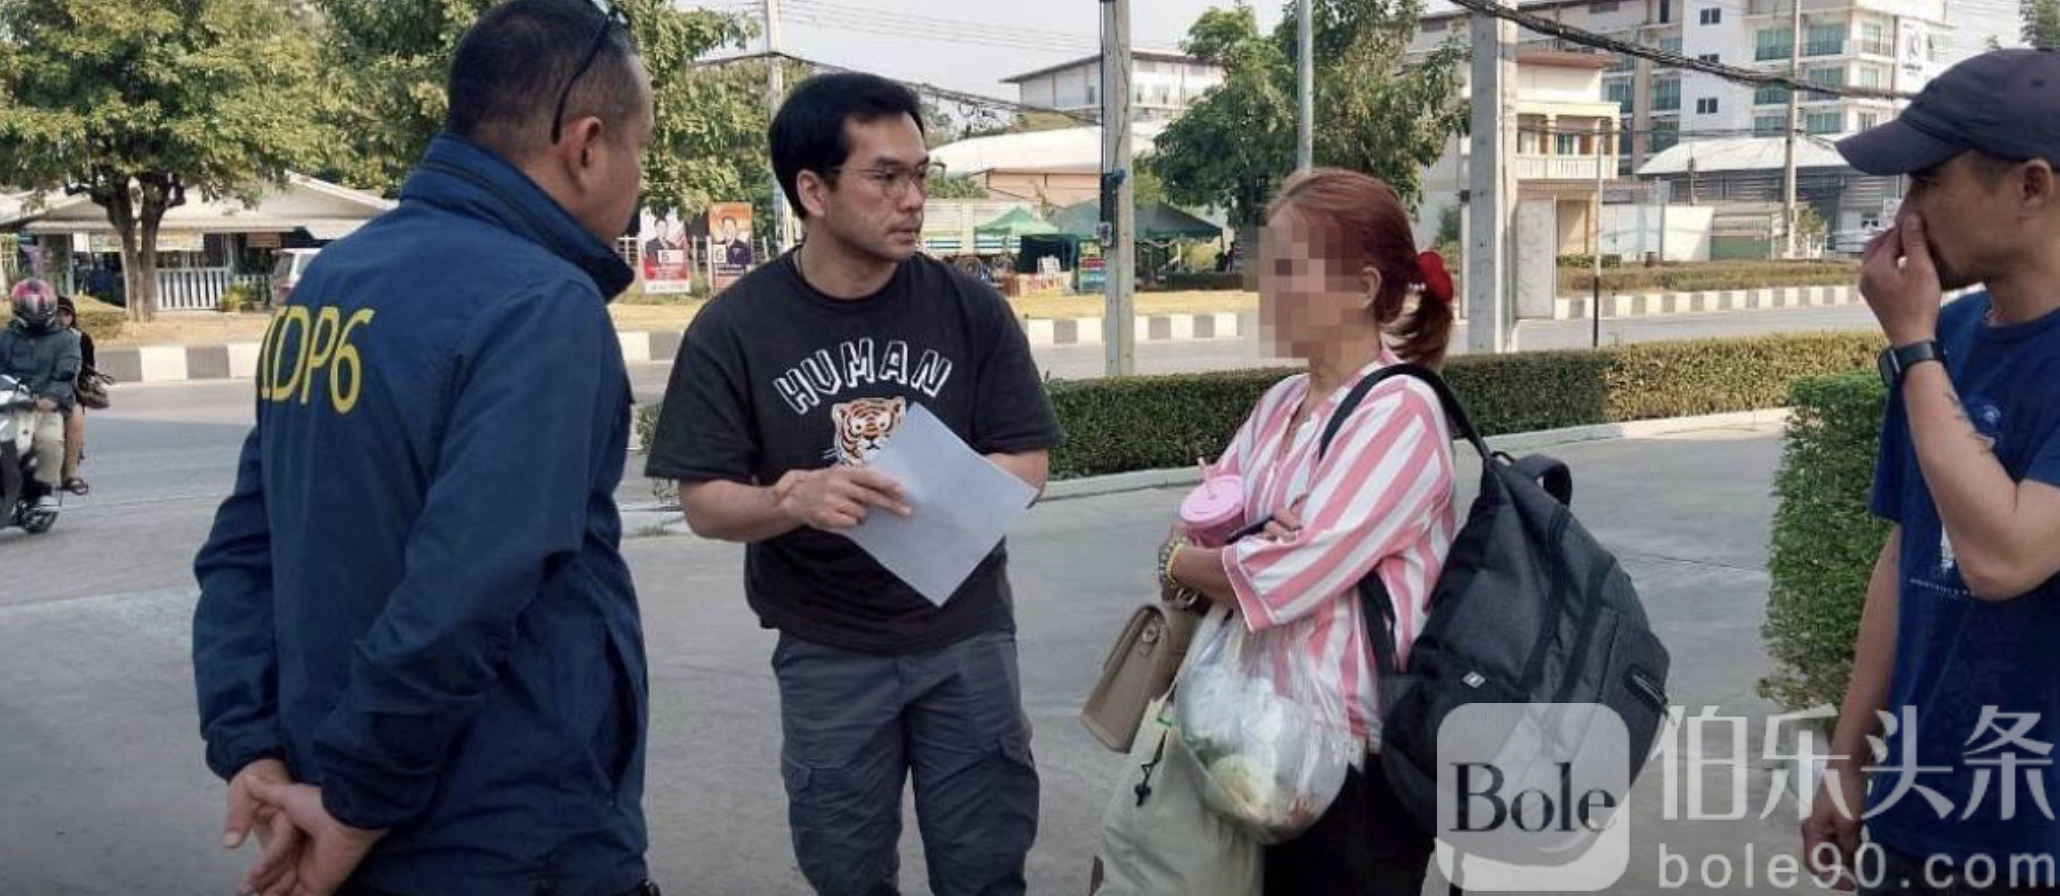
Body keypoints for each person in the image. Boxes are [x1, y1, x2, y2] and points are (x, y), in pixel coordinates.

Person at [188, 1, 659, 894]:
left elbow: (245, 548)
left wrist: (253, 747)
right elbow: (463, 593)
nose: (639, 179)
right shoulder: (541, 305)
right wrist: (358, 804)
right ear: (587, 145)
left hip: (334, 794)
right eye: (641, 148)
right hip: (504, 833)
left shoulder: (335, 280)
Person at [644, 72, 1062, 896]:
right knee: (846, 872)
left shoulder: (971, 310)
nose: (914, 199)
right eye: (885, 176)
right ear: (813, 191)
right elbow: (704, 502)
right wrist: (789, 500)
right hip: (827, 649)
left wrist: (943, 492)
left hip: (967, 638)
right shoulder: (737, 327)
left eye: (920, 175)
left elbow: (1028, 462)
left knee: (986, 870)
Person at [1148, 168, 1458, 896]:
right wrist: (1219, 551)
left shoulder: (1401, 412)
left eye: (1289, 269)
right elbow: (1196, 528)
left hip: (1347, 773)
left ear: (1361, 287)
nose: (1266, 288)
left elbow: (1279, 580)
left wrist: (1196, 560)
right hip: (1248, 740)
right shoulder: (1281, 403)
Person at [1800, 48, 2060, 896]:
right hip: (1919, 803)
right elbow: (1906, 551)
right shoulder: (1949, 334)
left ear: (2031, 187)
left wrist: (1913, 349)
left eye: (1928, 182)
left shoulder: (1925, 344)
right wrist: (1848, 759)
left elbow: (2004, 559)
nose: (1904, 215)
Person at [0, 278, 80, 511]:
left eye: (41, 305)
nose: (36, 310)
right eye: (30, 305)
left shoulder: (66, 340)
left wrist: (51, 398)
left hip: (44, 404)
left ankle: (44, 491)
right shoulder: (5, 337)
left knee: (48, 440)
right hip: (8, 401)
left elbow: (66, 374)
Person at [53, 295, 94, 495]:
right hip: (36, 391)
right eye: (56, 314)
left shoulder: (81, 339)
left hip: (69, 392)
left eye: (66, 314)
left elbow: (88, 370)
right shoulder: (35, 337)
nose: (61, 318)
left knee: (76, 417)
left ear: (73, 316)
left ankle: (69, 475)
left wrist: (82, 385)